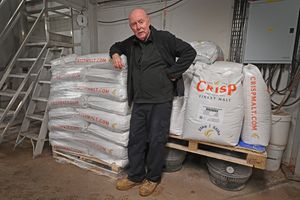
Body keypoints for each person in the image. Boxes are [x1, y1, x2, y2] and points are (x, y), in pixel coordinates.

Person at [109, 8, 196, 197]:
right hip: (139, 100)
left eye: (141, 22)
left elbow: (189, 52)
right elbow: (115, 46)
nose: (138, 27)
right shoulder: (130, 43)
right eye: (134, 24)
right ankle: (135, 175)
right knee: (136, 140)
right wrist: (115, 55)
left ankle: (153, 178)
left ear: (148, 21)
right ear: (131, 26)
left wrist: (173, 73)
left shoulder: (164, 38)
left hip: (160, 101)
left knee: (156, 140)